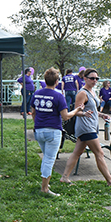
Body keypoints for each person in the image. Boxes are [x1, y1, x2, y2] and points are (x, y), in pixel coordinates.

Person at [60, 68, 111, 187]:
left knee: (77, 152)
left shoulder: (92, 92)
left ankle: (64, 177)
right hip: (86, 127)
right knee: (99, 153)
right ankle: (110, 180)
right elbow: (76, 111)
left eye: (97, 78)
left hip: (91, 126)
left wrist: (101, 115)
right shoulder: (82, 93)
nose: (95, 80)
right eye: (92, 78)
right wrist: (83, 113)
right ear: (85, 79)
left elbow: (92, 109)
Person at [31, 68, 83, 196]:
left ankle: (45, 182)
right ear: (56, 81)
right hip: (53, 131)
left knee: (46, 158)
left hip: (39, 130)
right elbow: (65, 117)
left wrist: (37, 124)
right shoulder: (58, 96)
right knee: (49, 159)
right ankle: (44, 189)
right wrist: (76, 110)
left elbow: (33, 112)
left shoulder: (36, 93)